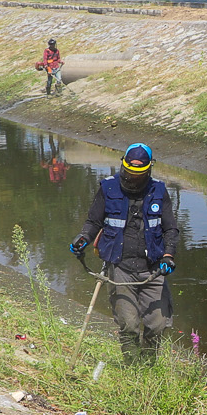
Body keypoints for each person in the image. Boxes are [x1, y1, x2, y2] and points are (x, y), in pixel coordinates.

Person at [70, 143, 178, 364]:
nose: (132, 179)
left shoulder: (158, 190)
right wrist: (83, 238)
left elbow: (171, 229)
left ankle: (148, 367)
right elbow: (93, 222)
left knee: (157, 324)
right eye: (129, 172)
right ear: (123, 166)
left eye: (138, 174)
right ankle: (131, 368)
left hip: (153, 269)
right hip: (120, 268)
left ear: (148, 170)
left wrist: (168, 255)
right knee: (128, 323)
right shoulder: (108, 188)